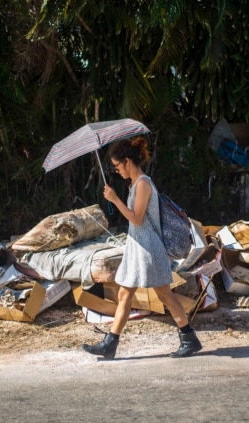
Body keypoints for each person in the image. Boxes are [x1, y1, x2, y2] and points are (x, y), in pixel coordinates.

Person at [82, 136, 202, 359]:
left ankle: (189, 338)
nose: (117, 170)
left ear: (127, 161)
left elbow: (136, 219)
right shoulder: (135, 185)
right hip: (137, 248)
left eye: (118, 166)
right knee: (125, 295)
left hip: (149, 250)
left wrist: (116, 200)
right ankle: (110, 344)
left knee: (165, 295)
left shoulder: (144, 184)